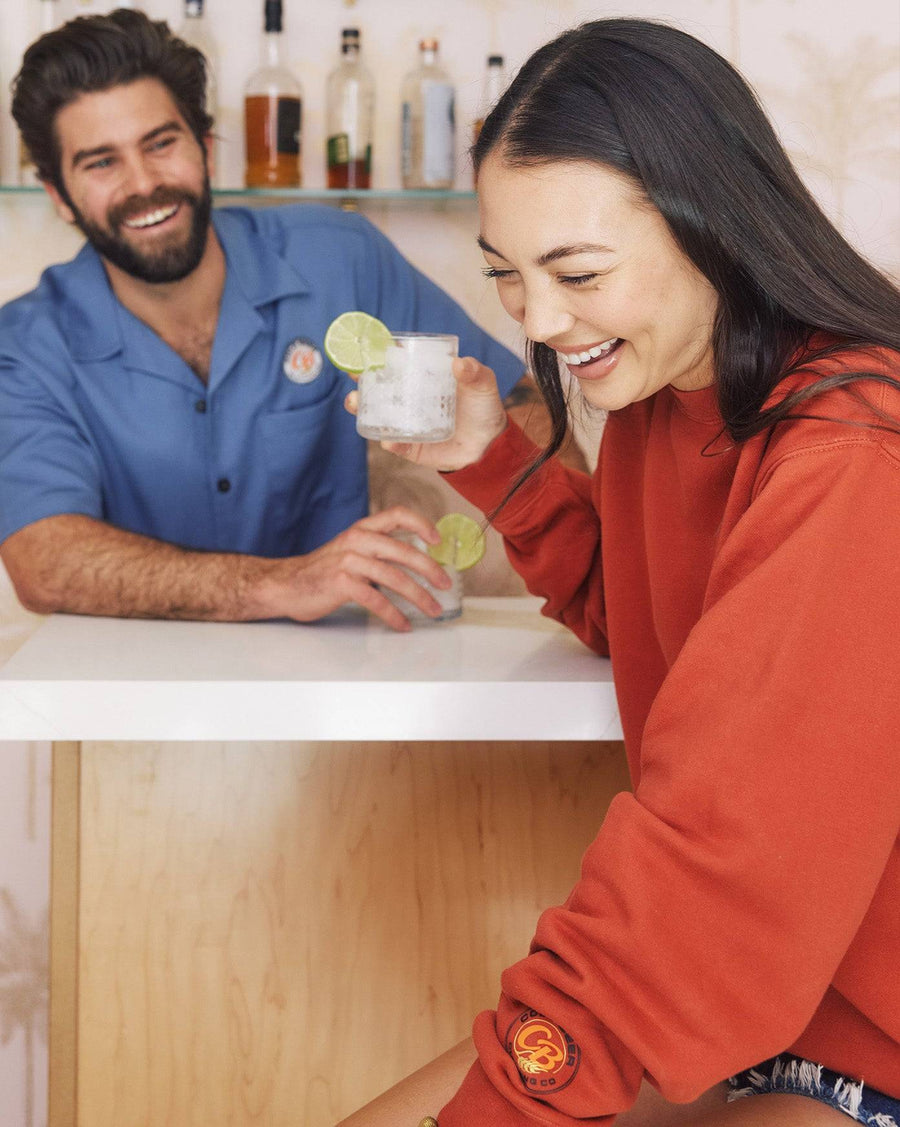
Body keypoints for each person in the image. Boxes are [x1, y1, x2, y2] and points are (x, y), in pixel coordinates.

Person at [338, 16, 900, 1127]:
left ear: (714, 224)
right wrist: (493, 457)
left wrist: (520, 1086)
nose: (541, 321)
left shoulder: (852, 454)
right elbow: (638, 614)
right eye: (507, 274)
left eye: (576, 271)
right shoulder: (660, 394)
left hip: (869, 1038)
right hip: (753, 1023)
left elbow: (713, 877)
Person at [0, 9, 536, 631]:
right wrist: (280, 583)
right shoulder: (25, 346)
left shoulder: (339, 259)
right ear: (59, 196)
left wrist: (573, 550)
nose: (144, 183)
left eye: (161, 144)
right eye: (101, 163)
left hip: (343, 670)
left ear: (204, 149)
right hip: (137, 689)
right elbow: (42, 561)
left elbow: (521, 400)